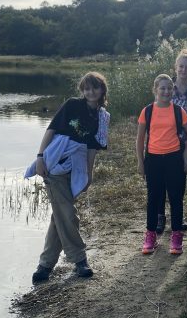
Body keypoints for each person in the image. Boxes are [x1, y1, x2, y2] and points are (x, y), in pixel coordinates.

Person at [29, 72, 110, 283]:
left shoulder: (102, 117)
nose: (90, 92)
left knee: (60, 216)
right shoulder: (72, 105)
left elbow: (92, 147)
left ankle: (45, 265)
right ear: (82, 91)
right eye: (86, 88)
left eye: (94, 87)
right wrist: (40, 157)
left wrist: (89, 174)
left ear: (102, 89)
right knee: (67, 213)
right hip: (54, 164)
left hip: (77, 168)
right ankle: (79, 259)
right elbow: (51, 129)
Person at [137, 74, 187, 255]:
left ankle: (177, 236)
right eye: (162, 88)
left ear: (173, 90)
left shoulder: (178, 111)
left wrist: (185, 157)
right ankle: (150, 235)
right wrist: (141, 162)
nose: (166, 91)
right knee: (153, 199)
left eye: (169, 88)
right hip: (153, 160)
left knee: (176, 198)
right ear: (155, 90)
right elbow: (140, 140)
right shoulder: (147, 111)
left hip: (174, 159)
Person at [155, 49, 187, 234]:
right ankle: (160, 217)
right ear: (176, 67)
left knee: (179, 182)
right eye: (181, 66)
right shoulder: (166, 86)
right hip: (164, 141)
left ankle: (176, 219)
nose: (184, 70)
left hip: (184, 143)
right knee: (161, 181)